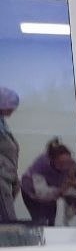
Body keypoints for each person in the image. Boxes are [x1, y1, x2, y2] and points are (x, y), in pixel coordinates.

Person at [20, 138, 76, 226]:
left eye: (68, 162)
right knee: (41, 220)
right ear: (52, 160)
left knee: (51, 219)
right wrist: (61, 190)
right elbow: (42, 194)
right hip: (32, 192)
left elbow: (74, 190)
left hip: (53, 188)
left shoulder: (72, 165)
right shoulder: (40, 167)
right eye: (61, 163)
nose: (65, 166)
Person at [0, 87, 21, 223]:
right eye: (11, 106)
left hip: (7, 177)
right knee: (8, 220)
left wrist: (14, 178)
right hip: (1, 178)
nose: (13, 109)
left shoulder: (2, 125)